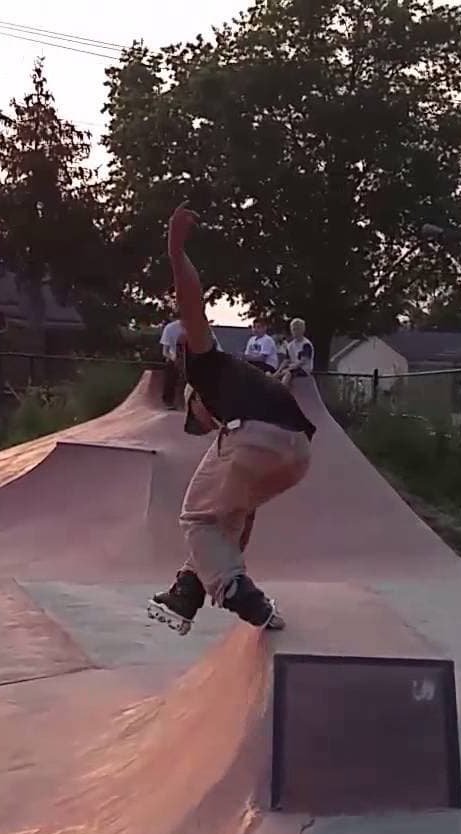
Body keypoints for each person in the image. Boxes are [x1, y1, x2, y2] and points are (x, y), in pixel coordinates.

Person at [148, 204, 316, 634]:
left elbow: (191, 305)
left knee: (196, 518)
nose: (205, 426)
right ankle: (188, 592)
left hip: (255, 435)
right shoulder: (242, 380)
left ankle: (240, 593)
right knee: (227, 518)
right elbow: (235, 529)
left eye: (197, 419)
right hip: (297, 453)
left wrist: (175, 252)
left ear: (194, 400)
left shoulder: (205, 366)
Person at [276, 318, 315, 385]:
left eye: (298, 329)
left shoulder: (306, 344)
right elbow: (286, 360)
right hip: (293, 367)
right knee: (280, 373)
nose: (295, 332)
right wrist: (278, 371)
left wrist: (289, 369)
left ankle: (282, 390)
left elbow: (302, 362)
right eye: (294, 329)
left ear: (303, 330)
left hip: (304, 369)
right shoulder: (290, 345)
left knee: (287, 374)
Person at [159, 317, 186, 405]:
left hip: (191, 358)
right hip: (174, 357)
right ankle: (168, 400)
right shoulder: (170, 328)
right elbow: (165, 351)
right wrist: (173, 358)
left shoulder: (199, 328)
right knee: (171, 368)